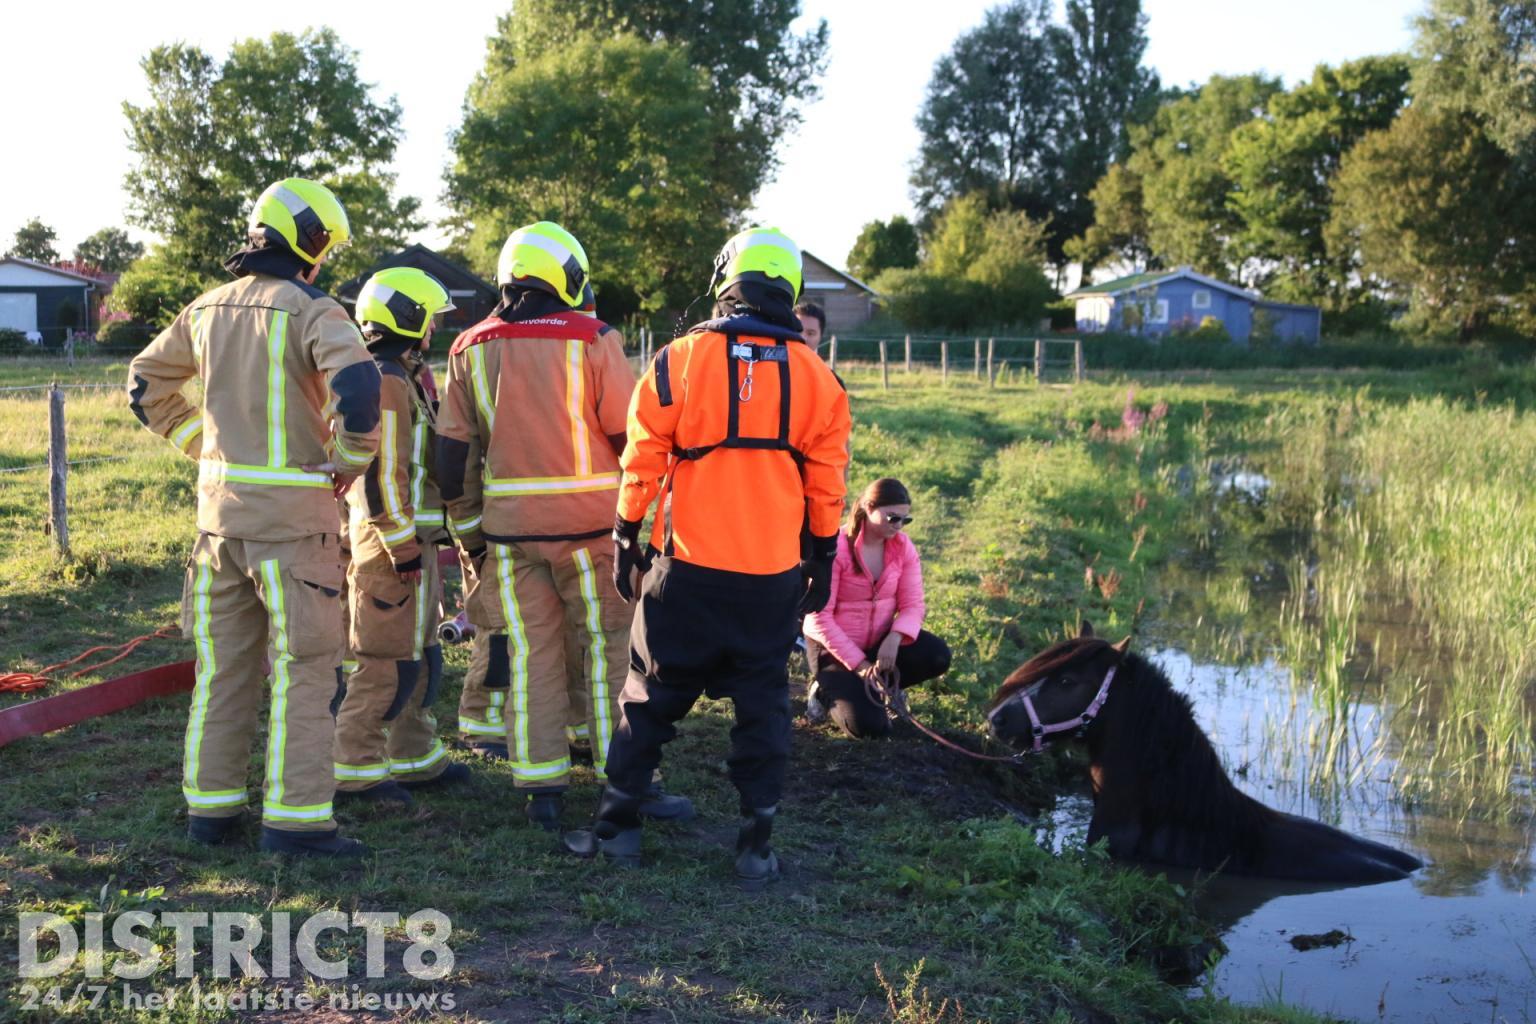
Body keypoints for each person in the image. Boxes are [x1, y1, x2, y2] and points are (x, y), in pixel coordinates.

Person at [564, 226, 852, 888]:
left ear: (727, 281)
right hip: (771, 580)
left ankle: (616, 829)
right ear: (791, 292)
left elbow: (641, 461)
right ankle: (755, 845)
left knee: (647, 699)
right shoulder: (820, 380)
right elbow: (827, 485)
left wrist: (623, 538)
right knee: (764, 711)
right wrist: (825, 561)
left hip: (683, 575)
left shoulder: (677, 360)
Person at [127, 177, 380, 857]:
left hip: (218, 527)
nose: (323, 255)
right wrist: (351, 463)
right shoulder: (312, 309)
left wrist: (200, 448)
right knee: (306, 670)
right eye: (323, 240)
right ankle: (296, 823)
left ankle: (210, 814)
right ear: (304, 240)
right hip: (295, 528)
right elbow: (360, 388)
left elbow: (142, 386)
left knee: (223, 669)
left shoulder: (205, 309)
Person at [436, 223, 637, 831]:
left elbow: (451, 460)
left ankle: (541, 786)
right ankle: (620, 777)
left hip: (510, 537)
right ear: (566, 275)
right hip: (593, 533)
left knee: (531, 656)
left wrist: (470, 535)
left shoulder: (468, 346)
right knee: (608, 652)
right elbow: (632, 441)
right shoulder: (595, 338)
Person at [332, 267, 472, 804]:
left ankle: (415, 756)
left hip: (412, 546)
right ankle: (354, 768)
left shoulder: (403, 375)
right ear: (407, 319)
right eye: (428, 320)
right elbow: (380, 472)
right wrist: (403, 545)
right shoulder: (386, 380)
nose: (433, 331)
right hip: (391, 550)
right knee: (385, 663)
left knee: (423, 653)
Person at [803, 478, 952, 738]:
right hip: (833, 652)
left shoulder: (903, 547)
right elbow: (818, 620)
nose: (899, 526)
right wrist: (860, 665)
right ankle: (824, 691)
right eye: (892, 517)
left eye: (905, 520)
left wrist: (895, 637)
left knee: (938, 655)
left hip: (879, 642)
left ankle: (882, 685)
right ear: (867, 507)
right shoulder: (835, 548)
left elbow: (913, 605)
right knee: (871, 729)